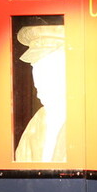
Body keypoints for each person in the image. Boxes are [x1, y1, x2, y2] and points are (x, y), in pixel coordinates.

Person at [14, 25, 67, 162]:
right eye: (35, 67)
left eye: (48, 68)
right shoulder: (38, 120)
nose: (37, 80)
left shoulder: (89, 120)